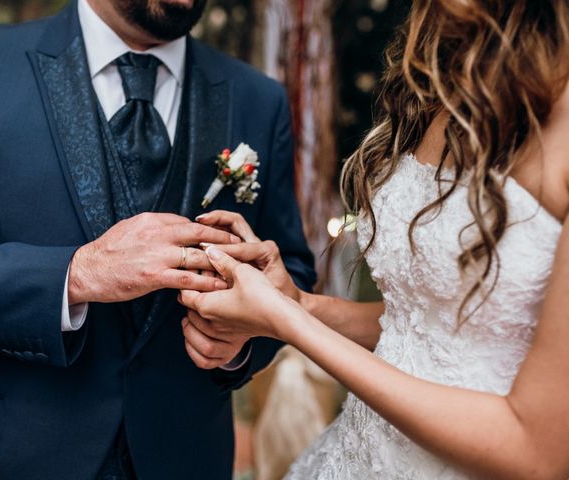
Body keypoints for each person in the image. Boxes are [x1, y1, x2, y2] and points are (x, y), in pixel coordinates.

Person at [179, 0, 569, 478]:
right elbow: (436, 325)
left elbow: (536, 451)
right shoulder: (443, 84)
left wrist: (288, 323)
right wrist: (299, 303)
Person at [0, 0, 316, 478]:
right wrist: (78, 275)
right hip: (6, 456)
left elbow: (290, 271)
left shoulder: (258, 97)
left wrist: (240, 347)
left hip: (186, 458)